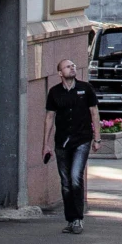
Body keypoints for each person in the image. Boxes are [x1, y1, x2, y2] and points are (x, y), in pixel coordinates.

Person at [42, 56, 101, 232]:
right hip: (61, 142)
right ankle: (70, 219)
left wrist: (97, 138)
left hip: (82, 139)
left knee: (76, 177)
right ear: (60, 73)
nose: (72, 68)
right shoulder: (54, 92)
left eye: (73, 65)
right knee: (66, 182)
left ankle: (77, 219)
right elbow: (49, 118)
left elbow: (95, 114)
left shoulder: (86, 89)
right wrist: (45, 144)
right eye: (68, 67)